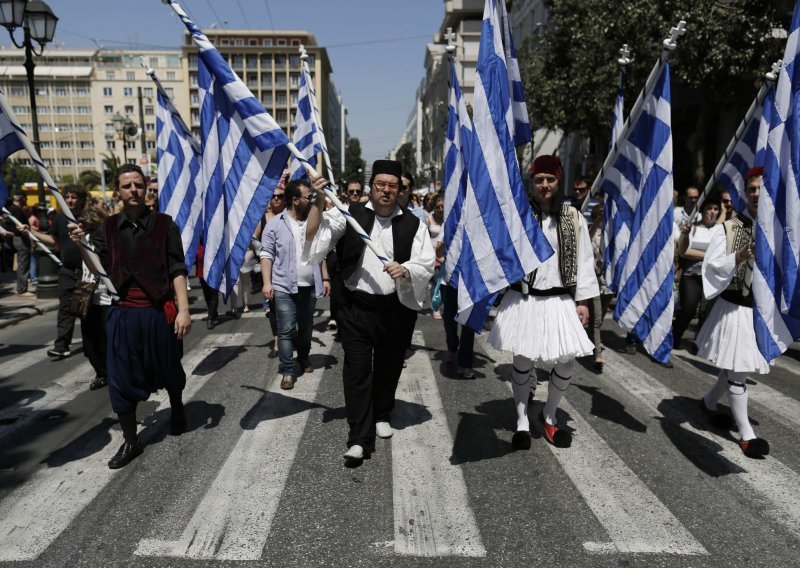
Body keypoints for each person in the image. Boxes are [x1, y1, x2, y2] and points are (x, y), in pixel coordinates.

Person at [305, 160, 434, 462]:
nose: (386, 191)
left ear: (399, 189)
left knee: (389, 367)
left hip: (395, 310)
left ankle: (382, 412)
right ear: (371, 187)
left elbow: (426, 262)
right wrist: (319, 200)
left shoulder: (413, 224)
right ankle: (359, 437)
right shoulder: (349, 215)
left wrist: (406, 268)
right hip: (357, 309)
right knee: (357, 371)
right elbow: (314, 239)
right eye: (380, 185)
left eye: (393, 186)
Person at [69, 163, 192, 469]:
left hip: (158, 313)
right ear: (118, 191)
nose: (134, 190)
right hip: (122, 314)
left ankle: (177, 408)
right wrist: (79, 244)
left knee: (168, 367)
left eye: (138, 184)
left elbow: (177, 269)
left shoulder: (165, 224)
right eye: (127, 186)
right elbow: (96, 266)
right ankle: (131, 440)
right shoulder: (107, 228)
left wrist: (185, 310)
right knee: (120, 378)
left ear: (147, 186)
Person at [488, 155, 598, 450]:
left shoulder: (573, 217)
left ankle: (549, 414)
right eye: (539, 180)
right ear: (532, 183)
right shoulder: (520, 214)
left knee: (566, 360)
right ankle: (522, 420)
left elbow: (585, 261)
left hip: (561, 299)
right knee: (523, 360)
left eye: (550, 179)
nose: (545, 185)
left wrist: (583, 301)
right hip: (525, 298)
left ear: (558, 182)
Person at [694, 167, 769, 458]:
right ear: (744, 193)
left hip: (759, 311)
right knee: (738, 371)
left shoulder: (777, 230)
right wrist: (738, 256)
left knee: (734, 366)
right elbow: (710, 267)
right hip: (735, 308)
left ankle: (709, 403)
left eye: (761, 189)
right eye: (751, 189)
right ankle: (747, 434)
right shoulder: (729, 228)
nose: (756, 194)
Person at [260, 180, 326, 390]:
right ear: (295, 200)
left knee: (306, 330)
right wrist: (267, 283)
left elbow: (320, 250)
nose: (310, 201)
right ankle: (288, 370)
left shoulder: (312, 221)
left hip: (309, 286)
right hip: (283, 287)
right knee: (286, 330)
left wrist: (325, 278)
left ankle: (303, 358)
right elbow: (266, 254)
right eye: (307, 197)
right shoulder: (275, 225)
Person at [25, 185, 88, 357]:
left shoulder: (88, 219)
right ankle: (61, 346)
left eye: (74, 197)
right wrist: (31, 232)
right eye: (67, 197)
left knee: (85, 312)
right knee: (65, 310)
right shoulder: (60, 219)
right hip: (67, 272)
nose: (69, 200)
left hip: (86, 274)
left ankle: (92, 346)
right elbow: (53, 240)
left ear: (82, 199)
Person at [673, 195, 721, 351]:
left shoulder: (720, 230)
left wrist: (698, 253)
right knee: (689, 308)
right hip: (691, 275)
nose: (712, 212)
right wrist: (709, 255)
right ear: (703, 210)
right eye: (709, 208)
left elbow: (722, 254)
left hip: (711, 277)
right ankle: (675, 335)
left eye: (716, 209)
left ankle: (699, 342)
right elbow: (683, 251)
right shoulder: (691, 228)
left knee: (706, 313)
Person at [76, 204, 111, 390]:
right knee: (90, 341)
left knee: (107, 338)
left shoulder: (107, 239)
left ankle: (113, 372)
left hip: (106, 296)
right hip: (88, 294)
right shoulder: (83, 239)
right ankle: (101, 372)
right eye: (86, 226)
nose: (90, 231)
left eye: (93, 226)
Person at [588, 203, 613, 372]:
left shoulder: (613, 234)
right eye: (600, 215)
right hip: (593, 280)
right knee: (596, 319)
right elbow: (585, 243)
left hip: (608, 282)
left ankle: (590, 340)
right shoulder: (590, 234)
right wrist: (596, 223)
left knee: (600, 316)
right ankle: (597, 354)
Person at [6, 194, 33, 296]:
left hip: (18, 239)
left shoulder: (12, 209)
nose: (26, 200)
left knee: (22, 263)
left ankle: (22, 287)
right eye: (25, 198)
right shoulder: (16, 209)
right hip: (21, 239)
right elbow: (19, 227)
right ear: (21, 198)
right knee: (23, 263)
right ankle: (22, 289)